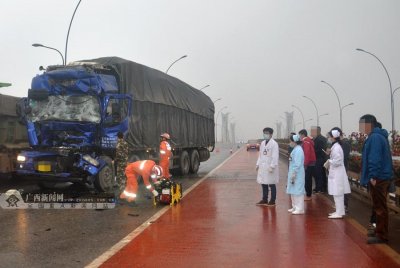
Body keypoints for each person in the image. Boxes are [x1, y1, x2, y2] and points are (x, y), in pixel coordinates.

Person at [359, 115, 393, 244]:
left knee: (380, 207)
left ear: (369, 124)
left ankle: (382, 235)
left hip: (378, 178)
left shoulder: (375, 138)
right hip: (381, 176)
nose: (361, 128)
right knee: (378, 206)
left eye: (362, 124)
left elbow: (374, 158)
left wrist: (373, 176)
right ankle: (379, 230)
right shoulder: (376, 137)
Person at [324, 128, 351, 219]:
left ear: (333, 137)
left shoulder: (336, 147)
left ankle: (339, 212)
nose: (329, 138)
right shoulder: (336, 146)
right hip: (336, 172)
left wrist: (329, 161)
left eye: (329, 137)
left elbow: (338, 161)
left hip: (337, 173)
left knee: (338, 193)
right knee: (337, 193)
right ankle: (339, 211)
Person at [256, 127, 280, 207]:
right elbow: (260, 155)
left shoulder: (274, 144)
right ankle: (264, 199)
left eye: (266, 133)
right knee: (263, 183)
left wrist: (272, 166)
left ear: (271, 134)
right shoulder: (262, 143)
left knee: (272, 183)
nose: (265, 135)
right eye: (264, 133)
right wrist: (257, 164)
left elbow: (275, 156)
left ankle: (272, 200)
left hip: (270, 167)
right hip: (263, 167)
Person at [287, 134, 305, 215]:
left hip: (297, 173)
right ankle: (294, 206)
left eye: (290, 141)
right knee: (293, 190)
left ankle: (300, 208)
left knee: (298, 190)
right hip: (293, 172)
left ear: (294, 141)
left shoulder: (299, 150)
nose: (289, 143)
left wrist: (294, 173)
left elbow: (297, 163)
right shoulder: (295, 149)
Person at [298, 129, 316, 201]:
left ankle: (308, 195)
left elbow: (307, 153)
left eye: (300, 135)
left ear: (302, 134)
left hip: (309, 163)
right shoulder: (308, 141)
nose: (299, 137)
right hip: (310, 162)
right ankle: (308, 194)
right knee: (308, 179)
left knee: (307, 179)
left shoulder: (306, 142)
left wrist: (305, 164)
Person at [311, 126, 328, 193]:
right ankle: (318, 187)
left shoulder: (321, 139)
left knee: (320, 174)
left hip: (320, 159)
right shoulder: (315, 139)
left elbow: (321, 149)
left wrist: (313, 151)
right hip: (317, 159)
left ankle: (320, 188)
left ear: (318, 131)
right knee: (317, 174)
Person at [115, 132, 129, 196]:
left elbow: (118, 154)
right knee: (124, 176)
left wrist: (115, 160)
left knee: (120, 178)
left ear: (117, 137)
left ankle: (122, 193)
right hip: (125, 162)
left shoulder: (119, 144)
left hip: (120, 163)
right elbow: (126, 152)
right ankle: (126, 190)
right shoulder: (125, 143)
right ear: (123, 136)